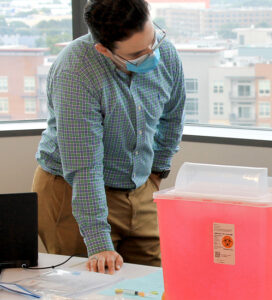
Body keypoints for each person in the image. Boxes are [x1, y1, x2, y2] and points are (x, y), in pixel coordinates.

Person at [32, 0, 185, 274]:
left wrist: (157, 172)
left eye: (154, 41)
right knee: (89, 282)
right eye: (138, 54)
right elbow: (85, 166)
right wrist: (98, 241)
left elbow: (172, 118)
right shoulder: (75, 72)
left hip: (139, 186)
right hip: (72, 189)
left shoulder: (165, 52)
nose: (152, 55)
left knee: (153, 279)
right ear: (104, 50)